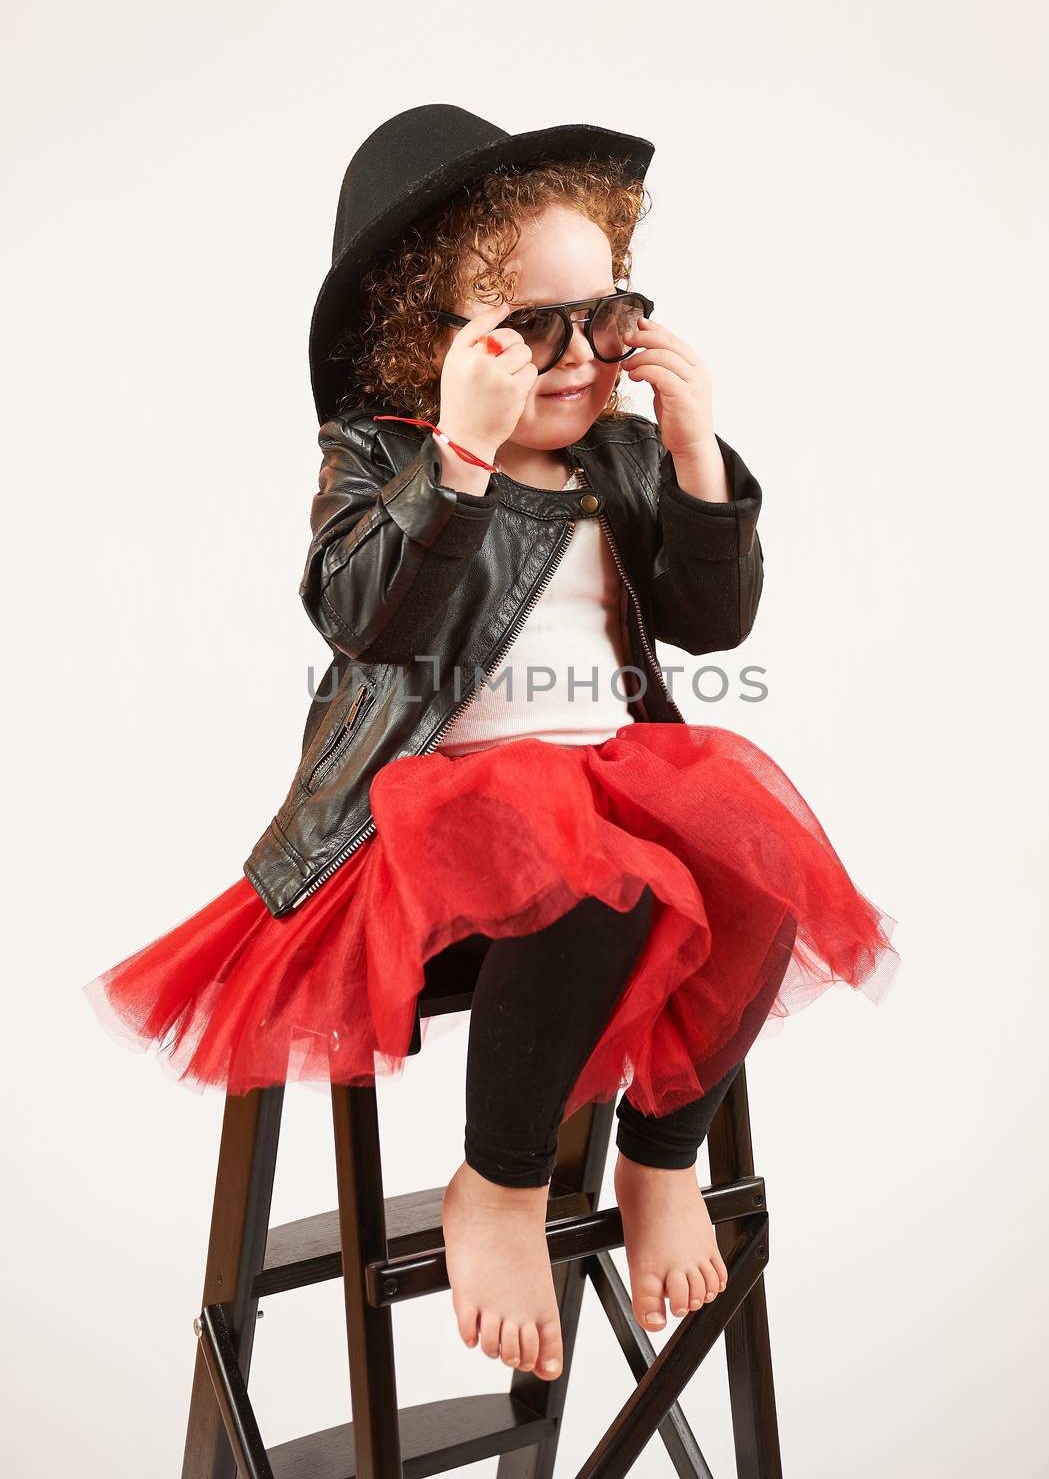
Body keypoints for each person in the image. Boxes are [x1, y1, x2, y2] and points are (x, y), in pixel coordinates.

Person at [83, 103, 900, 1384]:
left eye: (605, 316)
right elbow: (370, 617)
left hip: (608, 781)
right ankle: (500, 1185)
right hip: (427, 816)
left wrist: (692, 454)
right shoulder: (382, 454)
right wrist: (457, 459)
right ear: (432, 341)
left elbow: (706, 618)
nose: (576, 357)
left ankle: (660, 1152)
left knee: (755, 866)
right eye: (531, 327)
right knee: (597, 875)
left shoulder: (622, 456)